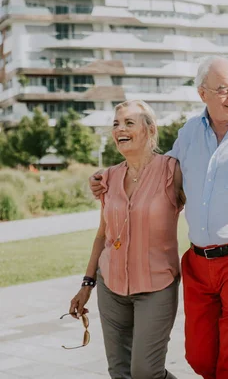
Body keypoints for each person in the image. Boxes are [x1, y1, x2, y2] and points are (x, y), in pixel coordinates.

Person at [90, 55, 228, 379]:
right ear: (203, 94)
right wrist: (109, 176)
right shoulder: (189, 132)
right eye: (223, 89)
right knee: (200, 358)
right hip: (200, 261)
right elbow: (155, 170)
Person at [71, 100, 184, 379]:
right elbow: (103, 234)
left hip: (157, 285)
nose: (120, 129)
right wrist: (87, 283)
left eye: (129, 123)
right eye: (116, 124)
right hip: (111, 286)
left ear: (150, 129)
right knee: (120, 371)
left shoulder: (172, 171)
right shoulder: (107, 177)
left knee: (146, 372)